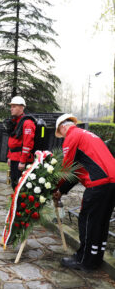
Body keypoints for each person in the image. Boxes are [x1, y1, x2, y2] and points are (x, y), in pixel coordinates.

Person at [53, 113, 115, 271]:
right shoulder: (89, 136)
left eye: (61, 133)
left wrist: (56, 187)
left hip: (98, 182)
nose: (62, 137)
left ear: (63, 127)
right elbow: (77, 170)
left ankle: (84, 261)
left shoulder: (72, 136)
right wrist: (62, 190)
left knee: (87, 220)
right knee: (101, 221)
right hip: (111, 181)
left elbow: (66, 168)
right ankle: (96, 257)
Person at [6, 96, 36, 190]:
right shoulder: (15, 122)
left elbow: (28, 144)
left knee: (20, 187)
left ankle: (19, 204)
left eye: (14, 106)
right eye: (11, 106)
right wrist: (10, 157)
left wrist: (22, 161)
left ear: (21, 107)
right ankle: (16, 203)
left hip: (21, 160)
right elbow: (13, 142)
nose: (11, 108)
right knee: (14, 184)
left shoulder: (27, 123)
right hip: (14, 159)